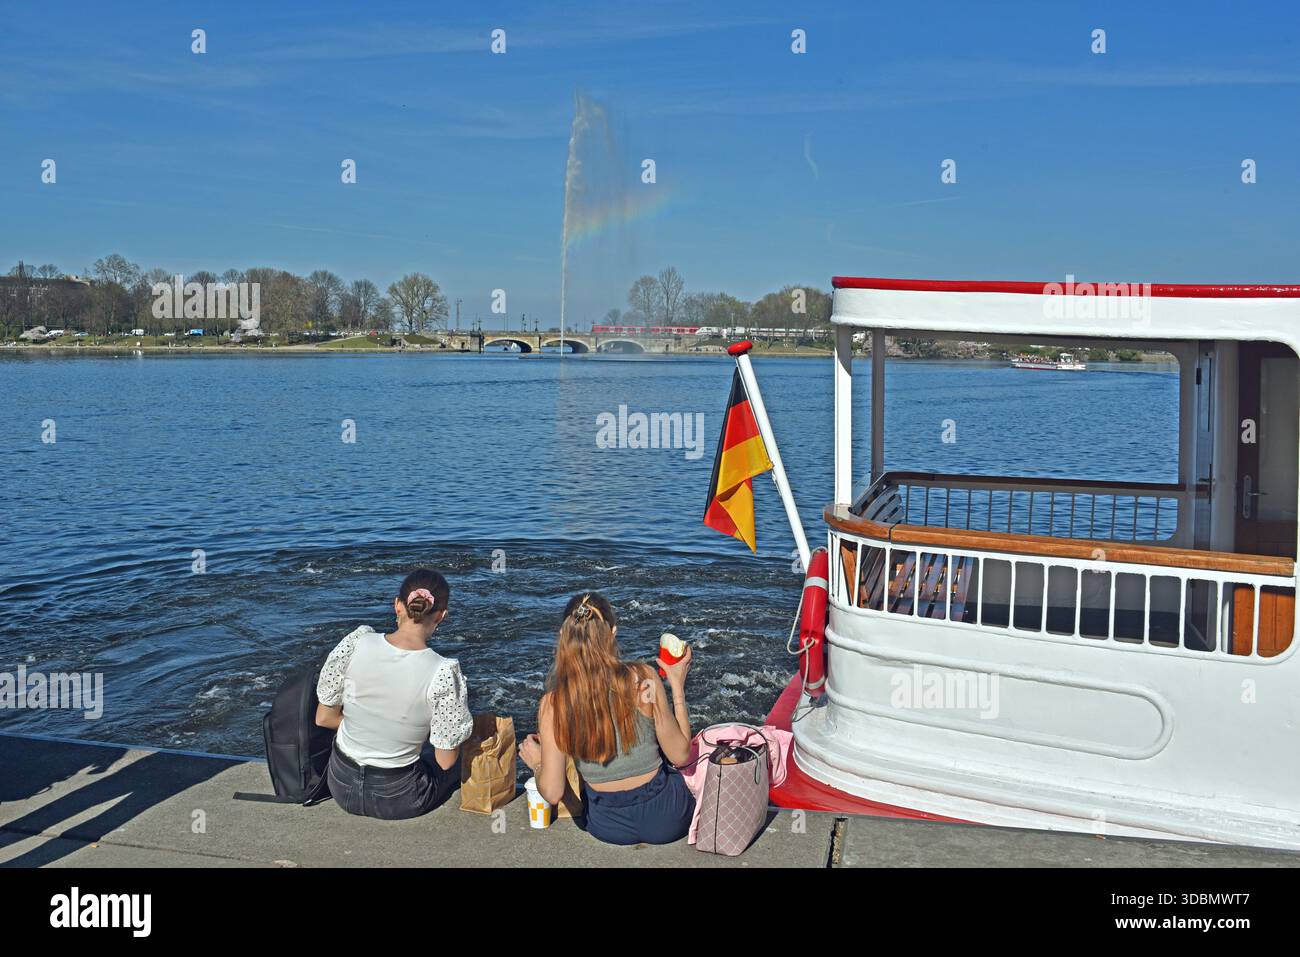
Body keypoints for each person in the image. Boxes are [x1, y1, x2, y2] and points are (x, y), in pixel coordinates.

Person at [519, 592, 694, 845]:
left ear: (562, 636)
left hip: (606, 825)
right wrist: (677, 685)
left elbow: (553, 792)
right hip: (667, 818)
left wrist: (537, 763)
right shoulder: (642, 677)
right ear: (613, 631)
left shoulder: (553, 703)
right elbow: (681, 755)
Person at [315, 568, 472, 820]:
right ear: (441, 616)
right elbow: (445, 760)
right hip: (400, 799)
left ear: (398, 605)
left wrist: (374, 727)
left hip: (340, 785)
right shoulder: (443, 671)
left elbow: (323, 718)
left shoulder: (356, 642)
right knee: (462, 749)